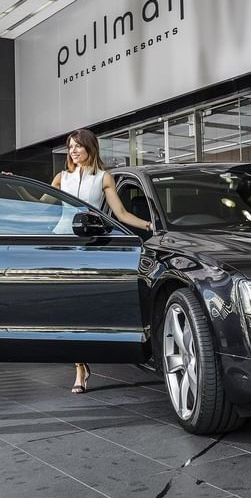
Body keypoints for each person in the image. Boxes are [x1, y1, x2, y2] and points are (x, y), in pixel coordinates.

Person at [51, 129, 153, 393]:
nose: (73, 151)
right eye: (70, 147)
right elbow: (41, 204)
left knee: (85, 307)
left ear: (90, 148)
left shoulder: (103, 178)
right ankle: (79, 368)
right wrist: (12, 186)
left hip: (89, 246)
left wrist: (150, 225)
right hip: (61, 245)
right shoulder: (61, 178)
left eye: (77, 146)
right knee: (68, 310)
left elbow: (120, 213)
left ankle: (89, 356)